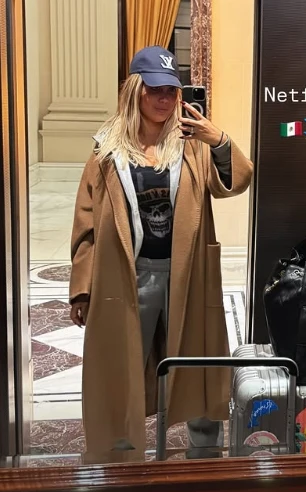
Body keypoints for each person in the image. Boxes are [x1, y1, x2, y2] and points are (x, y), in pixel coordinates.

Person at [69, 46, 253, 463]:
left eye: (171, 90)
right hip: (127, 274)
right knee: (121, 364)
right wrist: (81, 287)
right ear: (136, 91)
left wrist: (217, 139)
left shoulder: (191, 145)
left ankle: (204, 453)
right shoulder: (107, 151)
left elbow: (238, 180)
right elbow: (86, 221)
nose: (164, 99)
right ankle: (119, 457)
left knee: (197, 361)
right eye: (155, 90)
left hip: (188, 272)